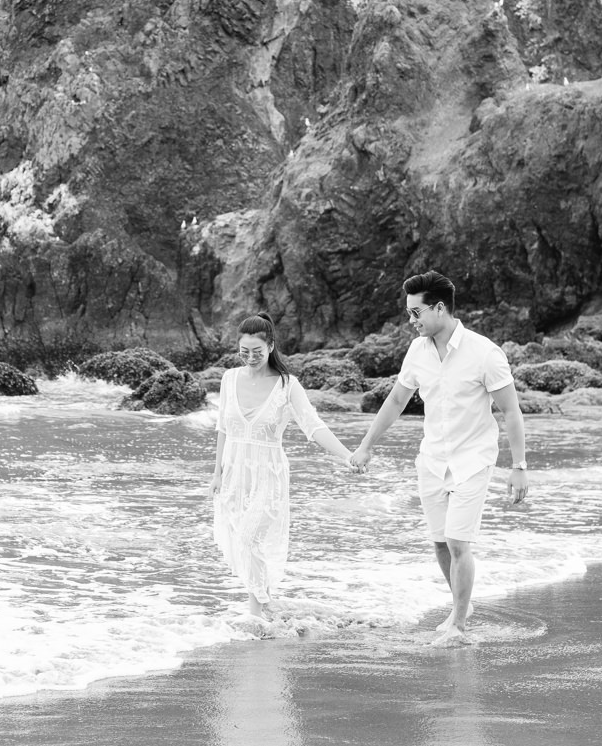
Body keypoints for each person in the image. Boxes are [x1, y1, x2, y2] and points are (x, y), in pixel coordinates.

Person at [348, 271, 531, 646]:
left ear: (440, 308)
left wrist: (519, 467)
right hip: (432, 459)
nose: (411, 321)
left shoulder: (484, 353)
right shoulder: (417, 351)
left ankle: (459, 625)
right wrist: (366, 444)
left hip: (473, 459)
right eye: (409, 313)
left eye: (416, 313)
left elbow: (511, 412)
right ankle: (459, 606)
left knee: (458, 542)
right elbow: (397, 400)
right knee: (439, 542)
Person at [208, 314, 357, 617]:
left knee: (251, 537)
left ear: (271, 346)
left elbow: (314, 428)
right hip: (235, 474)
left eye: (257, 352)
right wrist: (217, 473)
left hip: (269, 474)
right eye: (244, 351)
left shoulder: (288, 385)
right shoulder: (229, 379)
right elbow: (223, 428)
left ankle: (255, 616)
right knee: (246, 543)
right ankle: (264, 606)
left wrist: (347, 456)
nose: (250, 358)